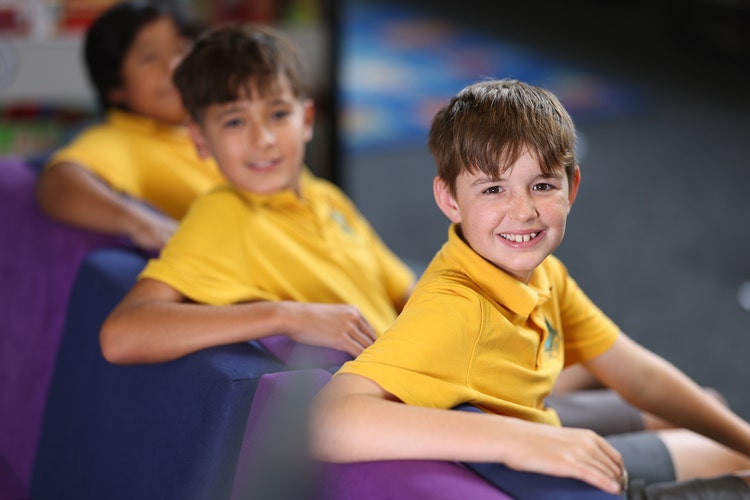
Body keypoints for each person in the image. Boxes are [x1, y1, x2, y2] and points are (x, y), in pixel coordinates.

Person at [310, 79, 750, 498]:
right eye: (493, 189)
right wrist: (512, 438)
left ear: (571, 188)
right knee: (728, 452)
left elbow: (642, 378)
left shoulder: (544, 275)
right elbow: (325, 421)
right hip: (545, 475)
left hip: (543, 425)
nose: (523, 212)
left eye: (541, 186)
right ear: (449, 199)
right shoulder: (455, 310)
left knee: (712, 411)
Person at [98, 24, 415, 364]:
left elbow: (403, 293)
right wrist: (285, 316)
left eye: (278, 114)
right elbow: (121, 335)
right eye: (235, 122)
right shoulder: (224, 215)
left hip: (414, 367)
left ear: (306, 120)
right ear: (200, 138)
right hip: (380, 393)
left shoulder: (324, 195)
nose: (262, 138)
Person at [35, 0, 225, 251]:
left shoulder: (216, 126)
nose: (174, 67)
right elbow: (59, 183)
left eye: (182, 49)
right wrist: (144, 224)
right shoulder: (121, 137)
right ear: (115, 87)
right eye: (149, 58)